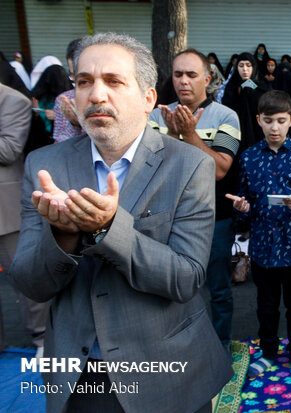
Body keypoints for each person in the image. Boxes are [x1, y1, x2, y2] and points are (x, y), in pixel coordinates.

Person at [8, 32, 232, 413]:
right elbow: (30, 282)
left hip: (168, 368)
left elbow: (186, 279)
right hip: (79, 373)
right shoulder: (44, 166)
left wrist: (107, 229)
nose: (96, 95)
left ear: (148, 99)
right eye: (83, 82)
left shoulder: (189, 164)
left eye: (113, 81)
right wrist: (62, 235)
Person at [148, 48, 241, 350]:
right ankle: (182, 348)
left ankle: (219, 348)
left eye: (191, 74)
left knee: (218, 289)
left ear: (208, 78)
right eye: (178, 74)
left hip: (214, 218)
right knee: (173, 289)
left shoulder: (226, 116)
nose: (184, 81)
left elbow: (218, 169)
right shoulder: (155, 116)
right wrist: (173, 136)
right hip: (167, 219)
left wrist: (188, 134)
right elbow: (150, 168)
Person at [226, 90, 291, 378]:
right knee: (266, 306)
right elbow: (243, 202)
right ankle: (267, 352)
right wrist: (242, 207)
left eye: (281, 120)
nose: (275, 128)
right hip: (264, 248)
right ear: (259, 121)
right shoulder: (249, 158)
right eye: (268, 121)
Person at [0, 82, 34, 352]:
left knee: (25, 277)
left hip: (6, 211)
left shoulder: (14, 101)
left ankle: (43, 340)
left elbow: (9, 150)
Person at [222, 52, 268, 152]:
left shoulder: (262, 86)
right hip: (236, 131)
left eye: (248, 65)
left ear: (254, 67)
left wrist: (250, 91)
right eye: (241, 66)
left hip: (258, 132)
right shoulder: (231, 86)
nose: (245, 69)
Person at [52, 38, 85, 143]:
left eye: (84, 77)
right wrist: (74, 125)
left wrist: (83, 124)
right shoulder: (64, 100)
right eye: (73, 75)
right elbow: (59, 143)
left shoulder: (112, 98)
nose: (77, 81)